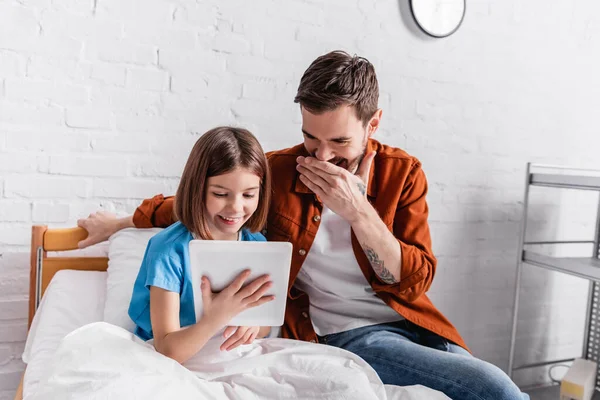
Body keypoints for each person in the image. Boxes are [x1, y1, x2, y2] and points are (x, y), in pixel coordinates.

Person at [79, 51, 528, 399]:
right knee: (495, 388)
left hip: (412, 322)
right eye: (311, 137)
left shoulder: (402, 173)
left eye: (339, 141)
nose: (322, 156)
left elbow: (414, 282)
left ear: (373, 123)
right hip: (347, 334)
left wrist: (359, 212)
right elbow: (203, 197)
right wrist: (121, 221)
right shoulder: (279, 171)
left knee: (487, 384)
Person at [127, 126, 275, 364]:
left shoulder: (256, 244)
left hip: (229, 355)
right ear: (198, 189)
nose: (236, 208)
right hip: (172, 358)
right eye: (220, 194)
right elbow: (167, 349)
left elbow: (266, 324)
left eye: (248, 195)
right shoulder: (168, 250)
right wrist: (217, 317)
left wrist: (253, 325)